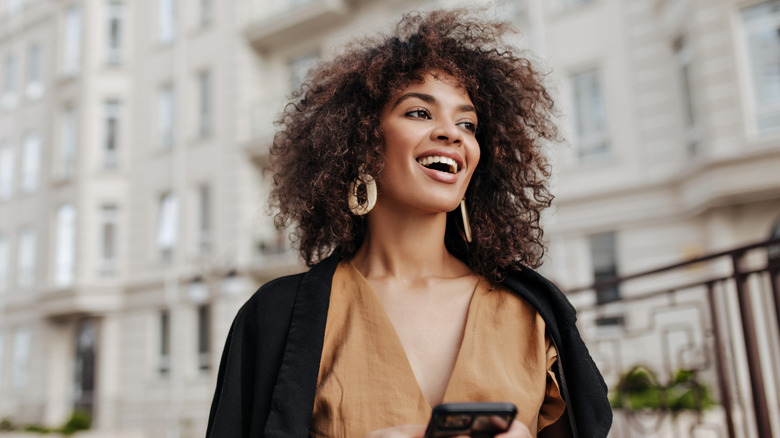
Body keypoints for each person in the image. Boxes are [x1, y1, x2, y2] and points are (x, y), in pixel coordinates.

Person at [206, 9, 612, 438]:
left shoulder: (533, 313)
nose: (452, 134)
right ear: (361, 141)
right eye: (420, 113)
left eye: (467, 123)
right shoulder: (272, 317)